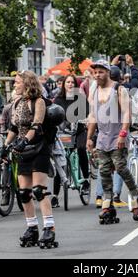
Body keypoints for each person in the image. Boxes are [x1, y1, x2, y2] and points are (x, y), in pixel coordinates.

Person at [87, 60, 138, 223]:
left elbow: (126, 114)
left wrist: (123, 134)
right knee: (104, 171)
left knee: (121, 168)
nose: (97, 75)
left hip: (117, 137)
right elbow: (93, 117)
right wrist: (89, 138)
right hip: (102, 139)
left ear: (108, 72)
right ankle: (107, 205)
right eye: (95, 72)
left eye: (100, 72)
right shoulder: (95, 92)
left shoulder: (119, 89)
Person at [2, 70, 58, 247]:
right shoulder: (17, 102)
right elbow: (13, 127)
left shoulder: (39, 102)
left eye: (18, 82)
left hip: (39, 148)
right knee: (24, 193)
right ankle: (32, 227)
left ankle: (49, 228)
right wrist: (6, 146)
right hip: (22, 150)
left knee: (39, 190)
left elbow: (36, 125)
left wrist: (25, 140)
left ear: (27, 84)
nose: (15, 85)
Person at [52, 75, 90, 208]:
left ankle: (85, 180)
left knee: (81, 149)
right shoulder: (58, 99)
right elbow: (52, 113)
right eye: (67, 82)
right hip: (63, 132)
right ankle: (55, 196)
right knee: (59, 160)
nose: (69, 84)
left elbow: (87, 112)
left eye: (71, 82)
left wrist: (86, 119)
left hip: (79, 130)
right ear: (63, 84)